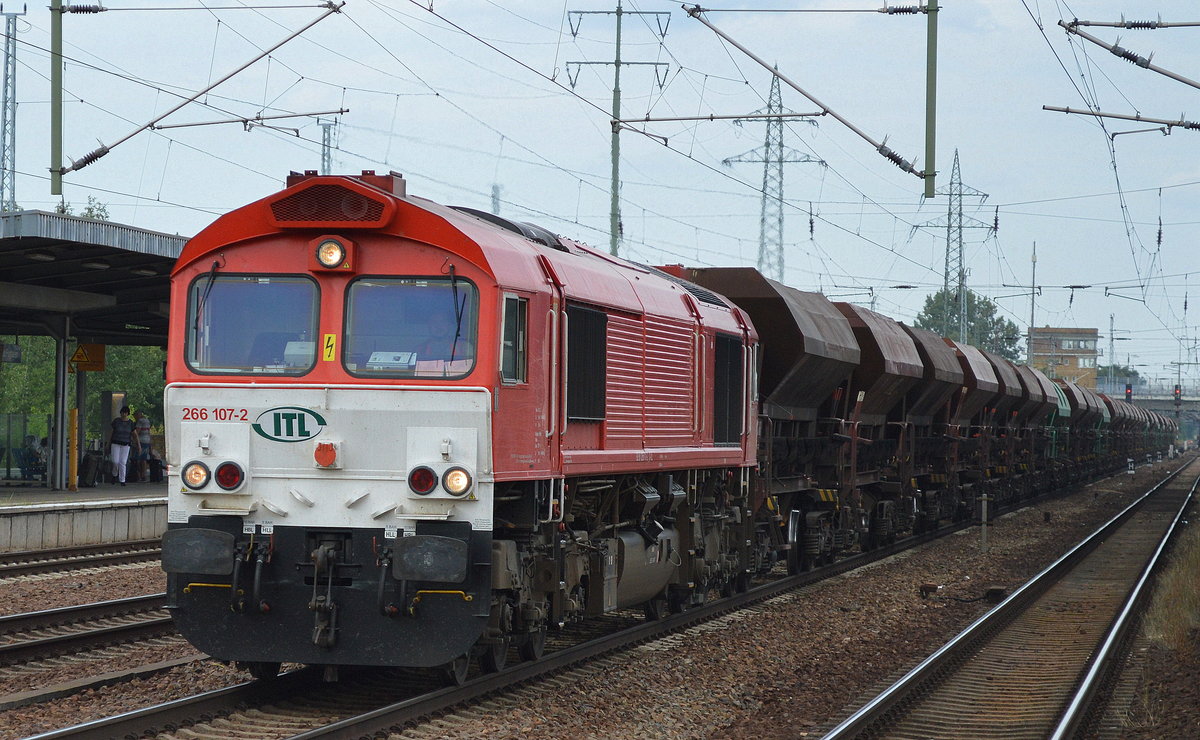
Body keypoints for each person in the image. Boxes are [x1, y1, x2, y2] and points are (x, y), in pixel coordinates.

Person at [109, 406, 138, 486]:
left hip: (126, 444)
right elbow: (111, 432)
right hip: (115, 443)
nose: (124, 414)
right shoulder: (116, 421)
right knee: (115, 461)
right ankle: (114, 474)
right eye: (122, 412)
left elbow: (135, 434)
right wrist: (108, 443)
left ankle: (122, 480)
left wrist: (138, 445)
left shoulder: (130, 423)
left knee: (123, 462)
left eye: (125, 413)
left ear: (128, 414)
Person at [133, 411, 153, 483]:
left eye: (135, 416)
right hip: (147, 441)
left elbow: (137, 432)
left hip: (140, 441)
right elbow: (149, 432)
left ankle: (139, 475)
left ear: (138, 415)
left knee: (137, 459)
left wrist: (133, 440)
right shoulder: (147, 420)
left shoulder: (140, 421)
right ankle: (143, 475)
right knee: (144, 459)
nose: (134, 418)